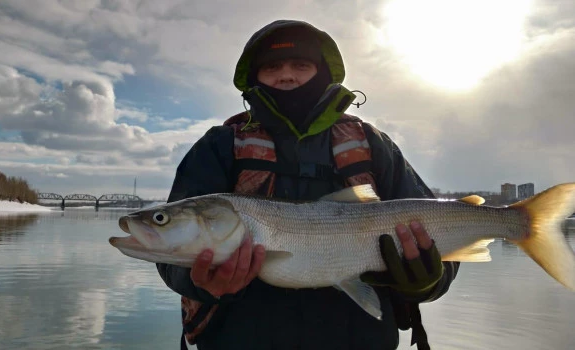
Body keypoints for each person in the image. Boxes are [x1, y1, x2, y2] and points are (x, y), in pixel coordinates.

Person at [157, 19, 459, 350]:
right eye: (272, 66)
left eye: (301, 65)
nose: (287, 75)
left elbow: (446, 241)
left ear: (323, 74)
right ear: (254, 76)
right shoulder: (218, 146)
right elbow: (172, 253)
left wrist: (426, 281)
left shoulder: (374, 144)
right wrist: (200, 282)